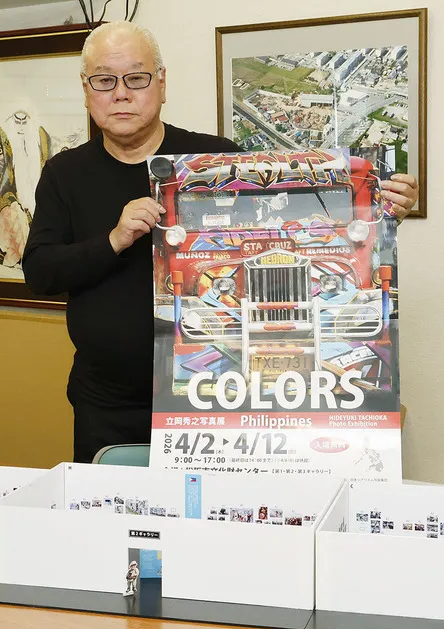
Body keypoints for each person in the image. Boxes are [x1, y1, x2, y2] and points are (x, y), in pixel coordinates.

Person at [22, 21, 419, 463]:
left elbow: (298, 236)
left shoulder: (218, 161)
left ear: (161, 83)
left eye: (136, 78)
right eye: (104, 80)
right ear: (86, 88)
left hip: (222, 394)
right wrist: (113, 240)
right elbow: (40, 272)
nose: (120, 94)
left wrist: (381, 212)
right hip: (108, 406)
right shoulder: (64, 174)